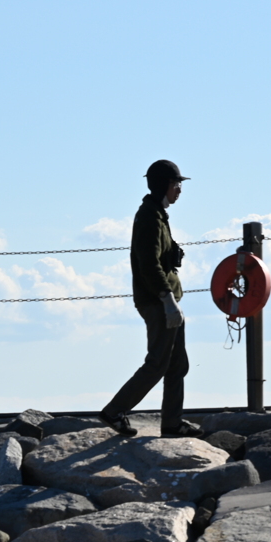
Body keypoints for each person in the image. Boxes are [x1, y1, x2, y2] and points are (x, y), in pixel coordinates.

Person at [98, 160, 202, 438]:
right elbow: (149, 265)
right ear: (164, 186)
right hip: (158, 302)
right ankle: (114, 411)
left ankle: (172, 424)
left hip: (167, 301)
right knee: (158, 363)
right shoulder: (149, 216)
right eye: (176, 184)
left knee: (178, 365)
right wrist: (168, 301)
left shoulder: (157, 214)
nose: (179, 189)